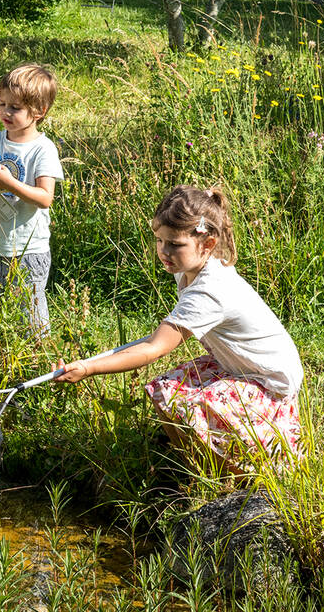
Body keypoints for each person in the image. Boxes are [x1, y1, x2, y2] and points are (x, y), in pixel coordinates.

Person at [54, 185, 304, 473]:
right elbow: (155, 338)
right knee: (166, 389)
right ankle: (196, 467)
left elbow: (154, 348)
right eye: (159, 240)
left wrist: (89, 369)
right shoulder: (191, 269)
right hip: (239, 365)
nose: (164, 251)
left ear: (207, 244)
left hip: (268, 381)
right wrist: (89, 362)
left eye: (175, 244)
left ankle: (231, 475)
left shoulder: (210, 291)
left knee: (180, 402)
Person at [0, 64, 64, 336]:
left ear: (39, 112)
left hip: (28, 248)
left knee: (31, 315)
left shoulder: (42, 149)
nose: (5, 113)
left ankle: (39, 360)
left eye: (15, 107)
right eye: (2, 104)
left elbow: (45, 198)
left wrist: (9, 183)